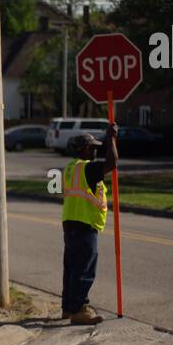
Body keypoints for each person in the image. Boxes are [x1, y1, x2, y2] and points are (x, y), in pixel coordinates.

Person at [61, 127, 118, 325]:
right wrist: (111, 138)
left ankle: (68, 308)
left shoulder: (70, 168)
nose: (95, 151)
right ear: (83, 149)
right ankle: (79, 310)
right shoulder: (87, 168)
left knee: (71, 267)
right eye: (92, 148)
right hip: (84, 224)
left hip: (70, 223)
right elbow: (112, 163)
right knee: (84, 269)